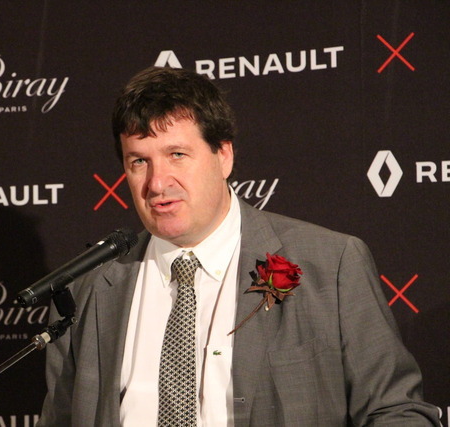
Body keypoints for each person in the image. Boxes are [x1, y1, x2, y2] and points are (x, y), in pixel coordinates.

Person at [36, 66, 440, 426]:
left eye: (177, 154)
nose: (157, 183)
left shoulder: (331, 266)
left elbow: (397, 412)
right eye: (139, 161)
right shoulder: (86, 289)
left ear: (224, 155)